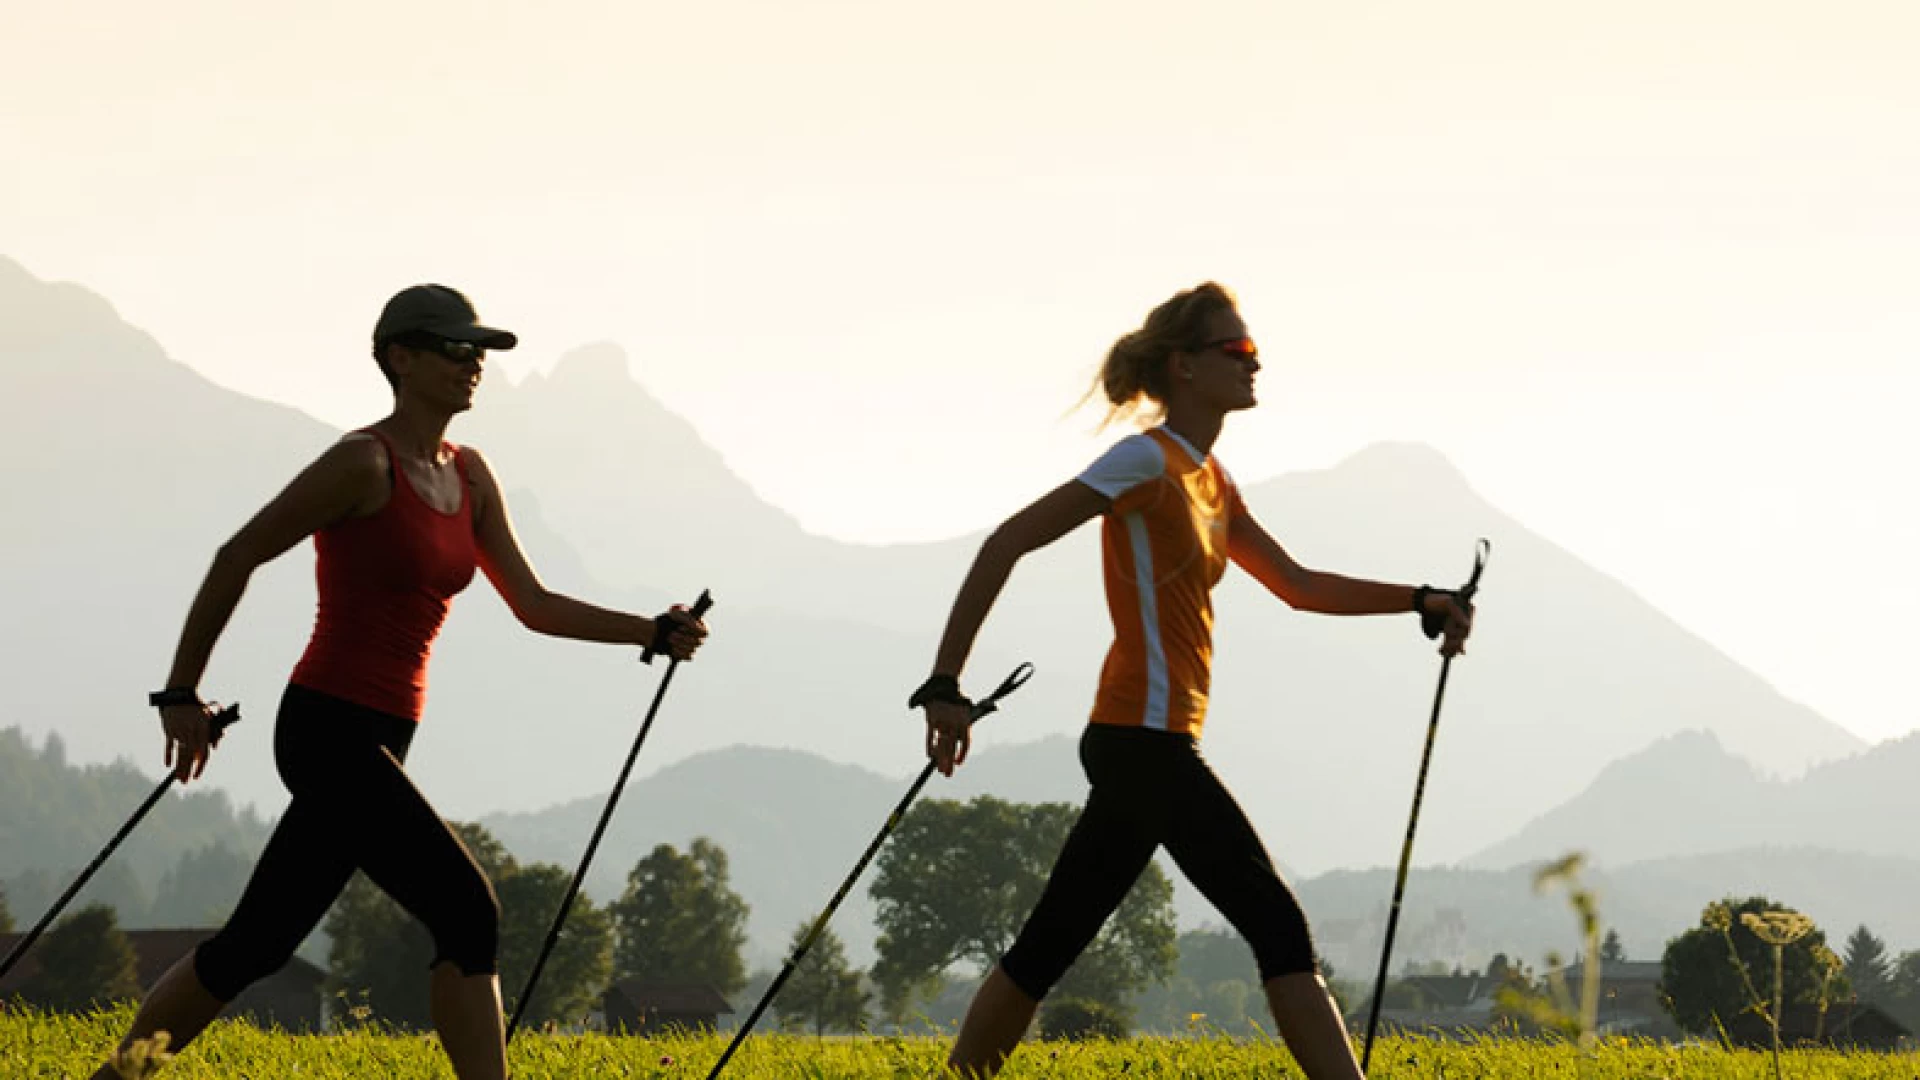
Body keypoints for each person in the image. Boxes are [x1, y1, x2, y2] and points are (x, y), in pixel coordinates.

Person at [93, 285, 708, 1080]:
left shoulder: (472, 475)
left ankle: (119, 1077)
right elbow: (235, 556)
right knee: (468, 908)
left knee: (254, 945)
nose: (473, 363)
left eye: (479, 350)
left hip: (388, 732)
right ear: (399, 357)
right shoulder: (362, 462)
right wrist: (182, 694)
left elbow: (533, 603)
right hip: (324, 728)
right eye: (454, 348)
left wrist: (650, 632)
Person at [910, 282, 1473, 1079]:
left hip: (1149, 740)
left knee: (1050, 942)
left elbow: (1298, 584)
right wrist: (945, 682)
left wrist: (1419, 599)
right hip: (1143, 741)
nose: (1255, 364)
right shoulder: (1145, 459)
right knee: (1278, 927)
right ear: (1183, 365)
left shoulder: (1212, 479)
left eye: (1254, 351)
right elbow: (1006, 542)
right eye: (1236, 351)